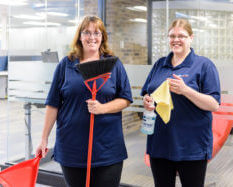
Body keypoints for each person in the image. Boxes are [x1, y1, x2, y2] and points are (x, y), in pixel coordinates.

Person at [35, 16, 133, 187]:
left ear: (102, 37)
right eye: (86, 32)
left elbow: (125, 98)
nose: (92, 37)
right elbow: (53, 103)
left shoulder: (113, 65)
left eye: (97, 32)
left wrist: (103, 108)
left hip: (107, 148)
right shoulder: (66, 64)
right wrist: (44, 138)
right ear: (79, 36)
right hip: (72, 147)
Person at [141, 18, 221, 187]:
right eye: (172, 36)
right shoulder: (159, 64)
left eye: (181, 36)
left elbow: (214, 104)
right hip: (160, 144)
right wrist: (147, 102)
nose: (176, 40)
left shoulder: (204, 65)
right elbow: (148, 93)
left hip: (191, 146)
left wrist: (186, 90)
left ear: (191, 38)